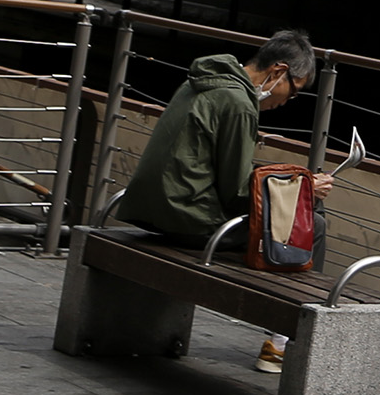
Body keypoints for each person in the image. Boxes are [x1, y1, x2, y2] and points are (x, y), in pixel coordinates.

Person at [122, 29, 331, 371]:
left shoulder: (203, 81)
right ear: (278, 72)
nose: (286, 100)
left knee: (300, 207)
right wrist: (302, 189)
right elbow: (235, 193)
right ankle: (281, 346)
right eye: (294, 91)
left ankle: (282, 339)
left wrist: (294, 183)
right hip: (186, 219)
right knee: (313, 224)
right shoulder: (239, 104)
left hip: (148, 207)